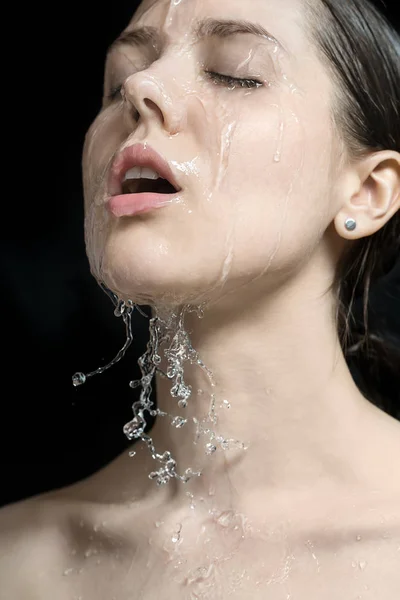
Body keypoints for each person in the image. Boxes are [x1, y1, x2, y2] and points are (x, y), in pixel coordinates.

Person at [1, 0, 399, 598]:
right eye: (115, 84)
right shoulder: (17, 561)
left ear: (367, 192)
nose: (140, 86)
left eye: (235, 72)